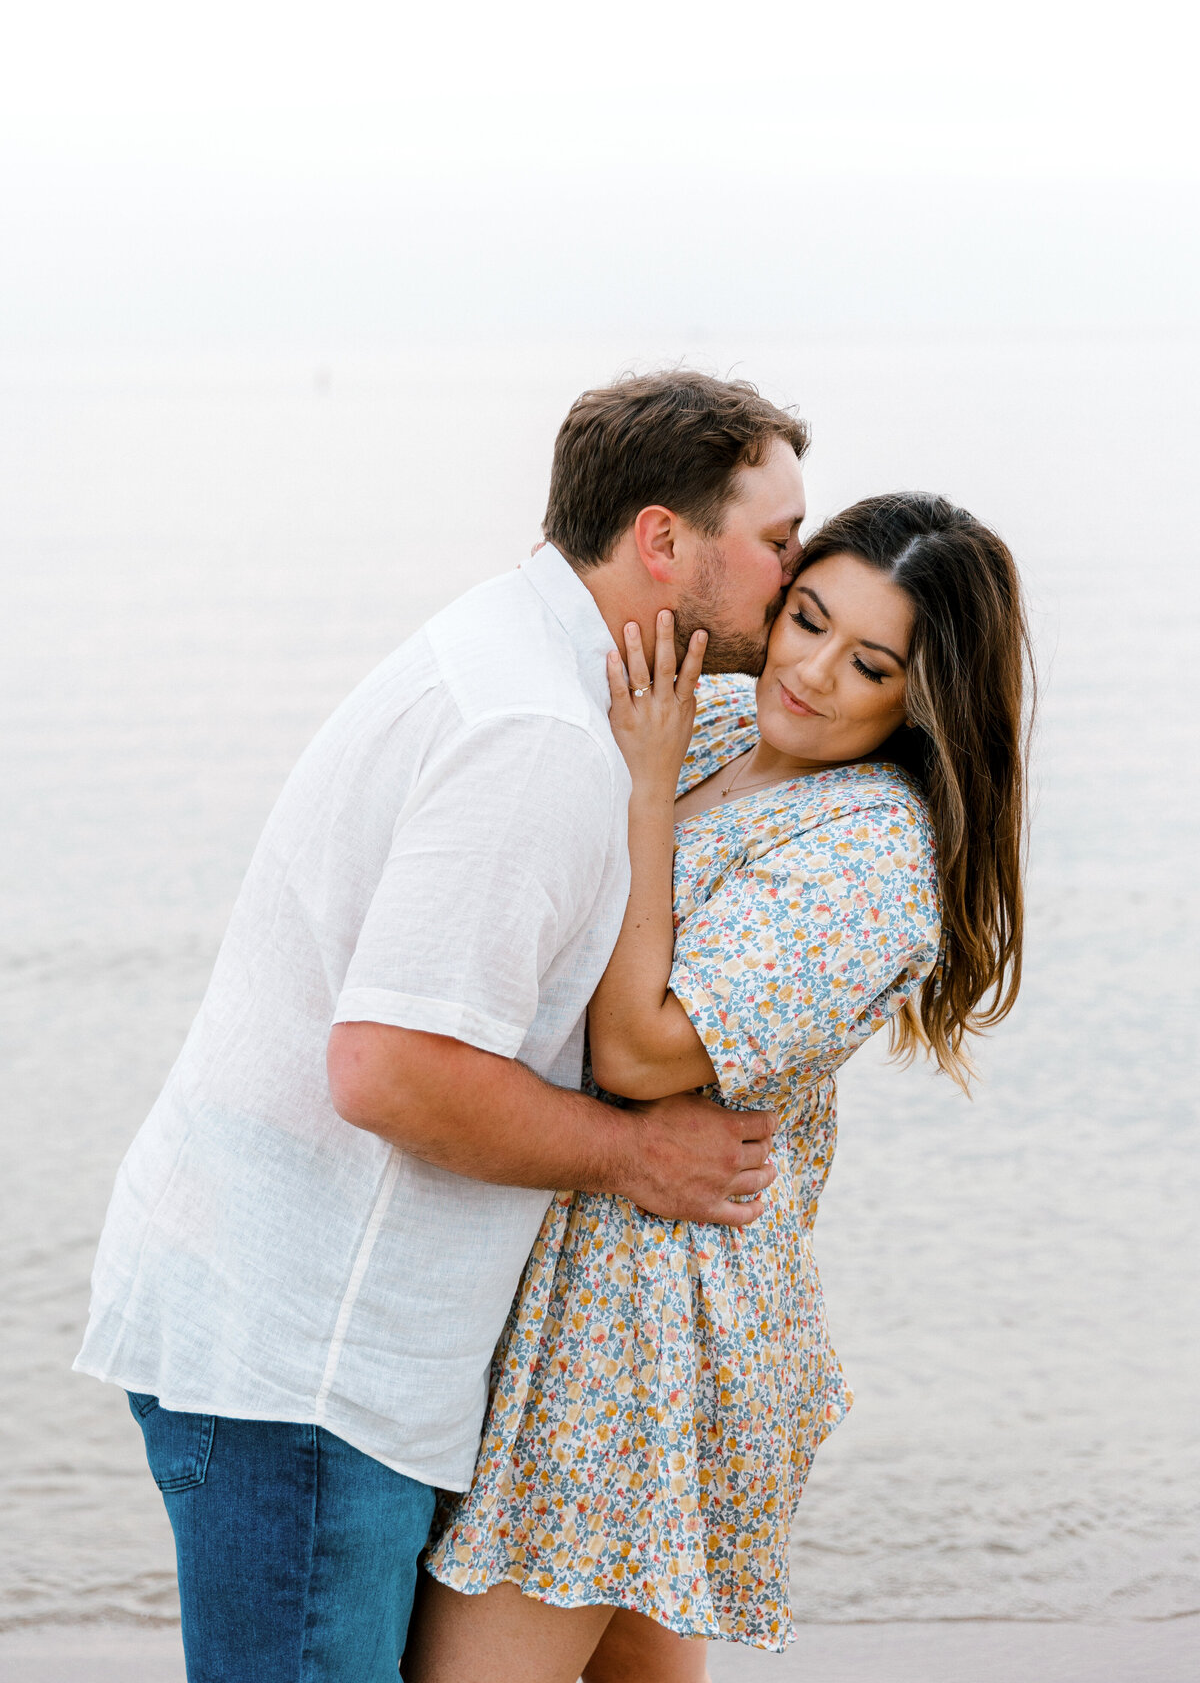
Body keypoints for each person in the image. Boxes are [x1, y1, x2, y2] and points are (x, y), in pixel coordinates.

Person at [73, 371, 810, 1682]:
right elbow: (390, 1070)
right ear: (660, 541)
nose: (799, 576)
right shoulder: (537, 736)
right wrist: (641, 1156)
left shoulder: (525, 660)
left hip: (296, 1340)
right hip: (304, 1369)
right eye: (776, 540)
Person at [404, 492, 1033, 1683]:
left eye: (871, 663)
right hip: (574, 1269)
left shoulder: (872, 850)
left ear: (924, 697)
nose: (811, 673)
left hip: (645, 1323)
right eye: (806, 619)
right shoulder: (715, 723)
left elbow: (642, 1052)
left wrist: (642, 792)